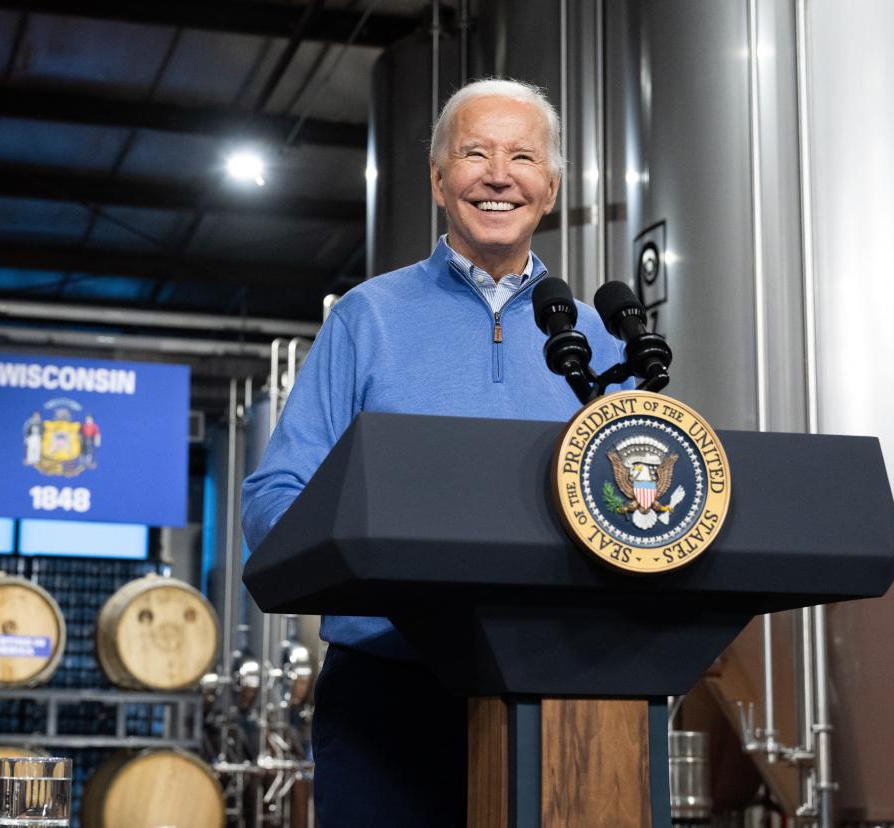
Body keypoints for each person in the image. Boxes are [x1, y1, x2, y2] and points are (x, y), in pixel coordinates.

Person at [241, 78, 628, 825]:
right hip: (387, 690)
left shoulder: (600, 336)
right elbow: (275, 496)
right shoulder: (367, 318)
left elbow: (635, 514)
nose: (497, 175)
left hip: (561, 692)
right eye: (474, 153)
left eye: (522, 156)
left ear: (549, 187)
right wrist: (380, 577)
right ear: (437, 178)